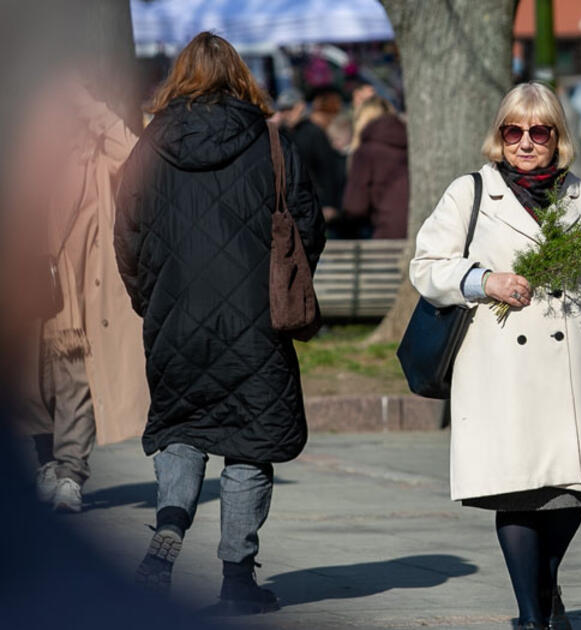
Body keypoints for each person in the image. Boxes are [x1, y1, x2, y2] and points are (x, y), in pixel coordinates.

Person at [114, 32, 325, 614]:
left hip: (174, 318)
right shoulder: (272, 142)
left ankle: (170, 530)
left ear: (178, 77)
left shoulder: (148, 147)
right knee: (248, 445)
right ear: (241, 77)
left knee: (183, 428)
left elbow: (126, 236)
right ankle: (237, 580)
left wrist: (150, 301)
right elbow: (307, 226)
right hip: (257, 321)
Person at [409, 82, 581, 630]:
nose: (525, 143)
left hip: (571, 365)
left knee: (570, 492)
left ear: (557, 138)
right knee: (519, 490)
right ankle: (532, 617)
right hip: (500, 366)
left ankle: (544, 588)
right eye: (514, 130)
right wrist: (485, 280)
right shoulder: (471, 192)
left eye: (538, 131)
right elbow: (426, 265)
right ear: (499, 135)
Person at [14, 75, 149, 513]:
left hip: (77, 294)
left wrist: (87, 104)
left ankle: (70, 471)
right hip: (26, 287)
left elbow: (136, 155)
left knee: (75, 383)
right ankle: (45, 464)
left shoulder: (95, 157)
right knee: (30, 387)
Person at [278, 86, 344, 233]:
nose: (286, 114)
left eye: (290, 109)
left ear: (300, 107)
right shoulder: (279, 134)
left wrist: (330, 204)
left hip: (314, 201)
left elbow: (328, 170)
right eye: (283, 110)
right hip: (287, 204)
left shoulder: (314, 133)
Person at [342, 96, 409, 239]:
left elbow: (355, 206)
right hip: (418, 231)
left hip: (384, 232)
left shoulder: (366, 151)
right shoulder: (407, 143)